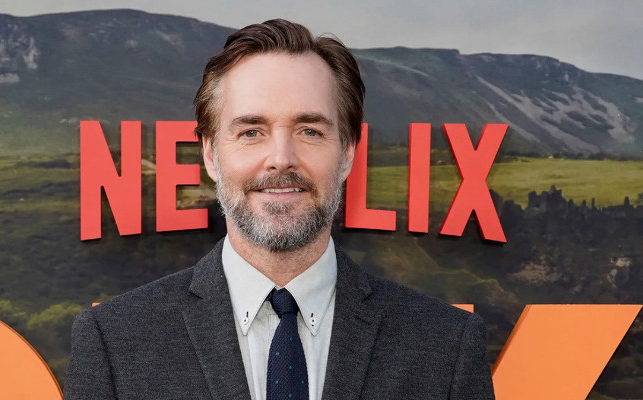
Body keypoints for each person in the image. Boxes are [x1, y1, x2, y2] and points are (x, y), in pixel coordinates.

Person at [63, 19, 495, 400]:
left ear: (348, 152)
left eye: (310, 130)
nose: (281, 159)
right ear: (210, 154)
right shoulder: (115, 342)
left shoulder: (446, 346)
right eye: (251, 132)